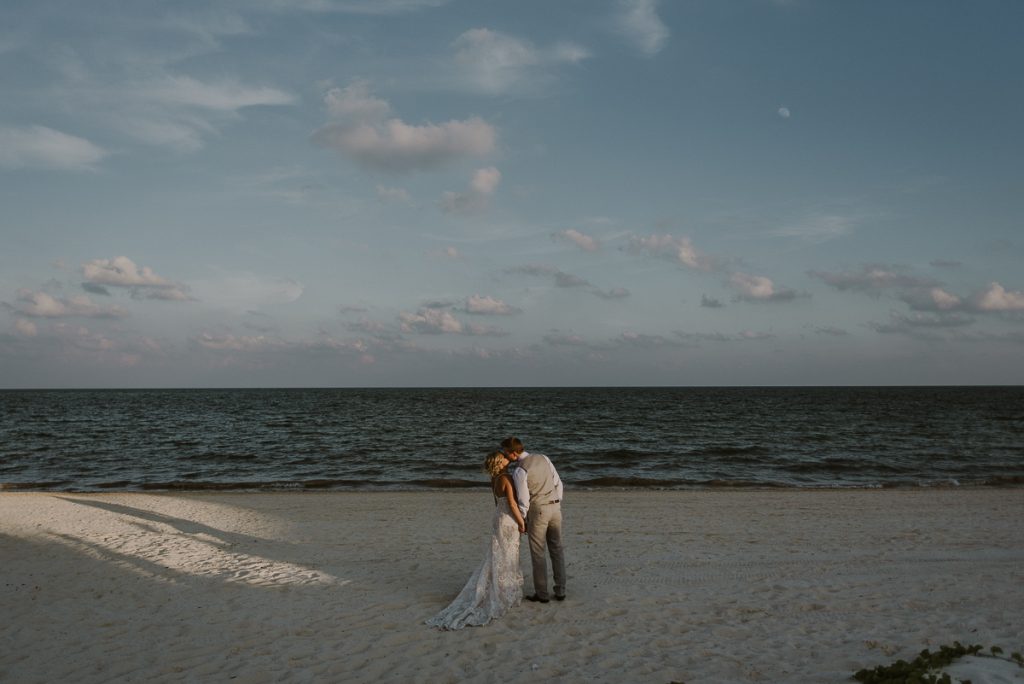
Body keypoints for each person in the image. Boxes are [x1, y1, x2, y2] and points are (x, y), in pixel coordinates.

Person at [426, 450, 526, 630]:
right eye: (503, 457)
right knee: (508, 554)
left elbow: (497, 503)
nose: (506, 458)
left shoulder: (494, 479)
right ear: (500, 462)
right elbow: (511, 504)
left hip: (497, 518)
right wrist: (521, 522)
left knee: (498, 554)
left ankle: (501, 587)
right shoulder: (506, 478)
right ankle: (505, 591)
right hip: (508, 519)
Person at [501, 436, 566, 603]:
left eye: (506, 453)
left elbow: (524, 500)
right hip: (555, 507)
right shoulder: (543, 458)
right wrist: (556, 501)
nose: (505, 456)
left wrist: (522, 520)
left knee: (538, 553)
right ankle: (560, 590)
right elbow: (558, 483)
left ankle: (542, 594)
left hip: (538, 510)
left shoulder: (520, 471)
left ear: (513, 453)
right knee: (557, 549)